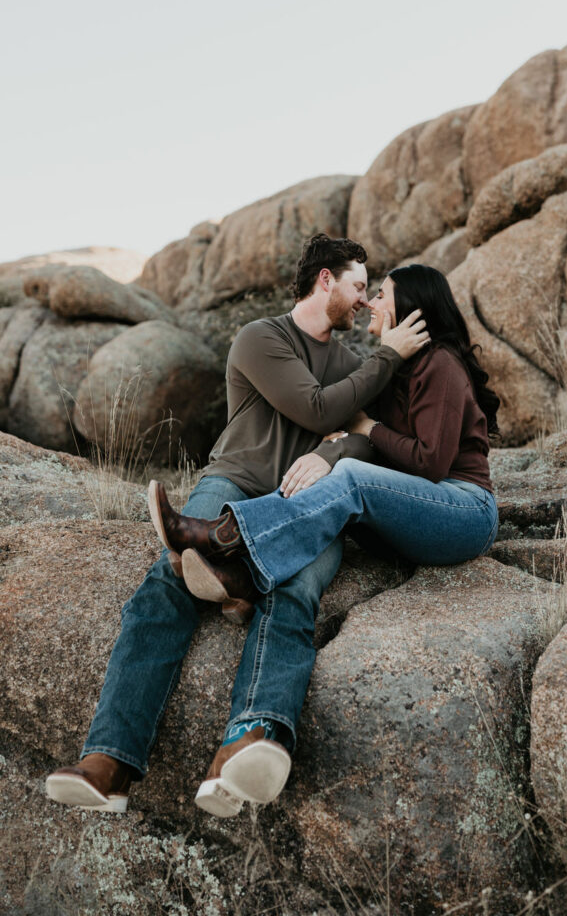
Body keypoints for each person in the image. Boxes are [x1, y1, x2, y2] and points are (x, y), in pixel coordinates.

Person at [45, 234, 429, 817]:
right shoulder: (261, 338)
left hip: (306, 503)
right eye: (357, 286)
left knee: (296, 590)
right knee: (169, 578)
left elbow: (366, 435)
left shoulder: (354, 363)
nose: (363, 300)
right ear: (325, 280)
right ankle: (109, 762)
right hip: (237, 482)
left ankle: (246, 744)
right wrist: (383, 365)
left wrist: (330, 454)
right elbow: (321, 410)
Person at [147, 264, 500, 814]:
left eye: (381, 295)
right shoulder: (391, 375)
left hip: (462, 511)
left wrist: (364, 433)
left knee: (352, 481)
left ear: (411, 310)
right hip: (408, 523)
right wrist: (337, 444)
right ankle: (248, 708)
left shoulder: (442, 366)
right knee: (336, 493)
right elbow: (346, 428)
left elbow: (430, 464)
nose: (372, 305)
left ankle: (226, 536)